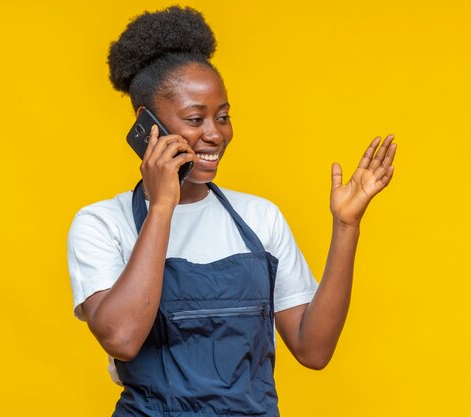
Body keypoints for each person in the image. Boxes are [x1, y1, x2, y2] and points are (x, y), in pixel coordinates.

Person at [67, 6, 397, 417]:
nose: (215, 134)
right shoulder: (102, 224)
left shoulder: (260, 219)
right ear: (147, 123)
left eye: (223, 117)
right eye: (194, 118)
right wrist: (163, 205)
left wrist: (346, 226)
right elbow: (122, 337)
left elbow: (314, 349)